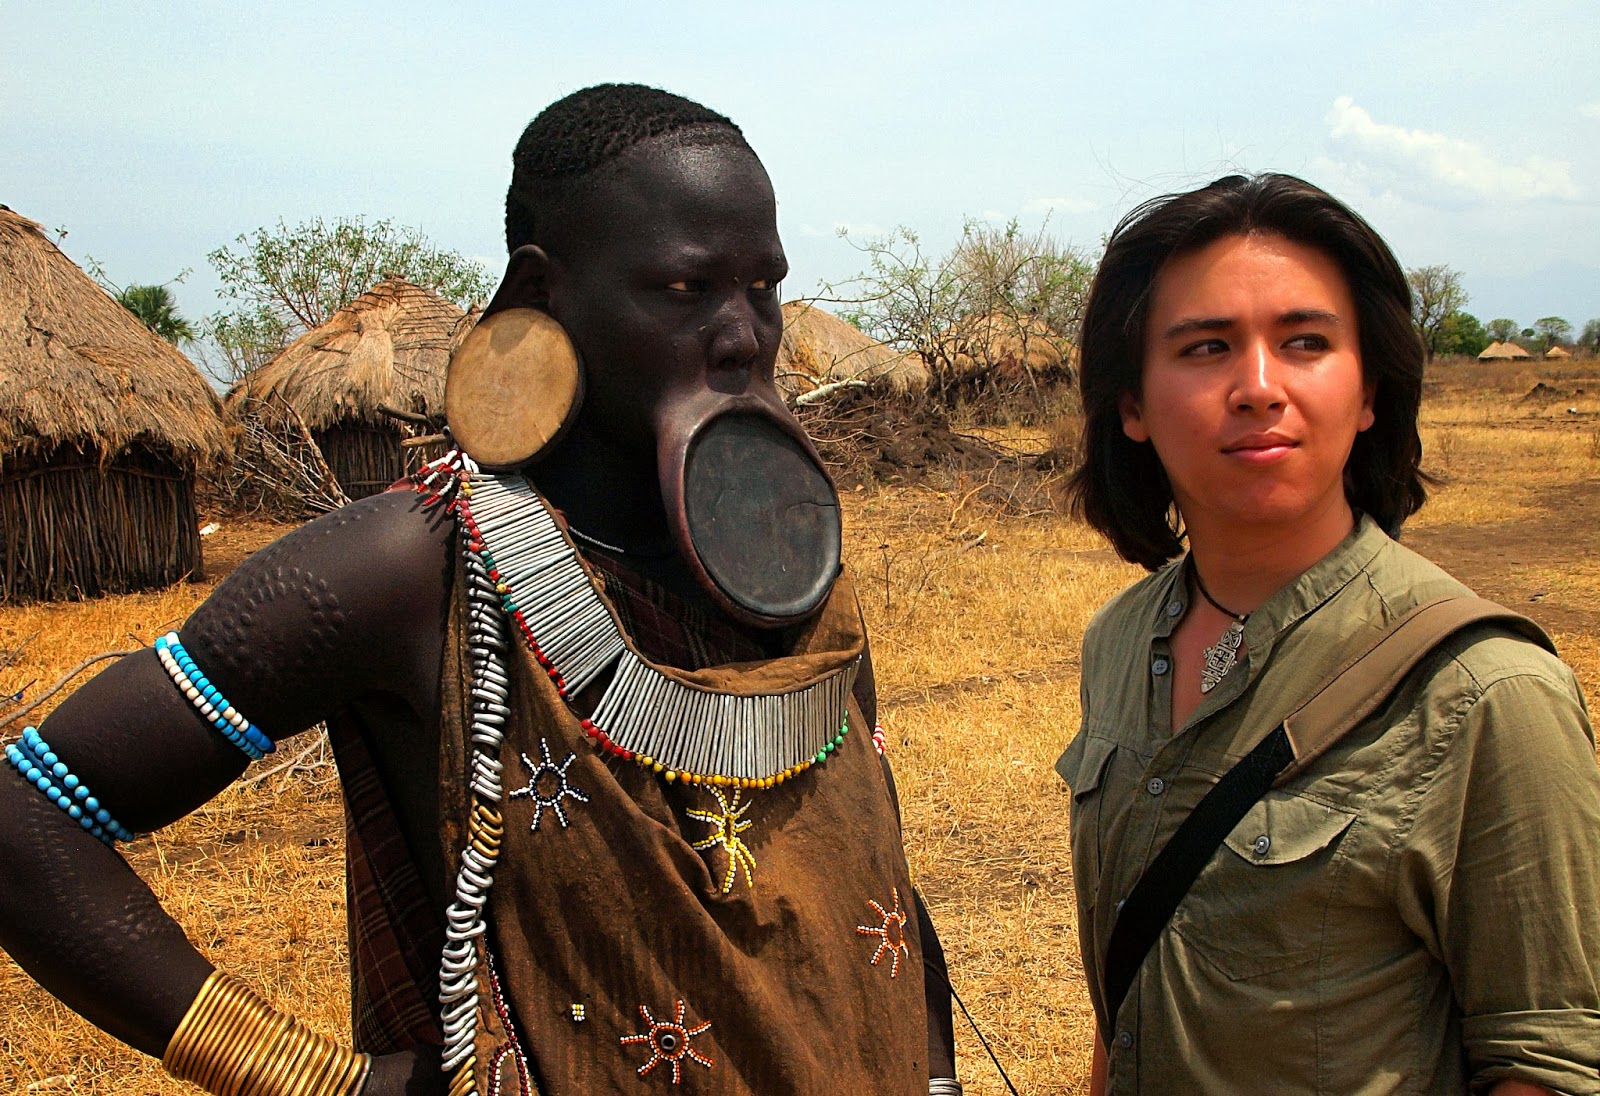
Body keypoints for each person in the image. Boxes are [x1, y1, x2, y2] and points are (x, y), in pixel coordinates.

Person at [0, 84, 959, 1096]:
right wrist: (313, 1076)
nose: (744, 335)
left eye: (762, 285)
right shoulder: (409, 566)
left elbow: (870, 867)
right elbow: (27, 816)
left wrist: (932, 1076)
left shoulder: (785, 557)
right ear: (542, 296)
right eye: (686, 289)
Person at [1057, 172, 1600, 1095]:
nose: (1259, 387)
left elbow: (1546, 1060)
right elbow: (1134, 984)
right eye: (1205, 348)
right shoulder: (1119, 641)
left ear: (1369, 392)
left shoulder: (1488, 695)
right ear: (1133, 405)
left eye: (1305, 343)